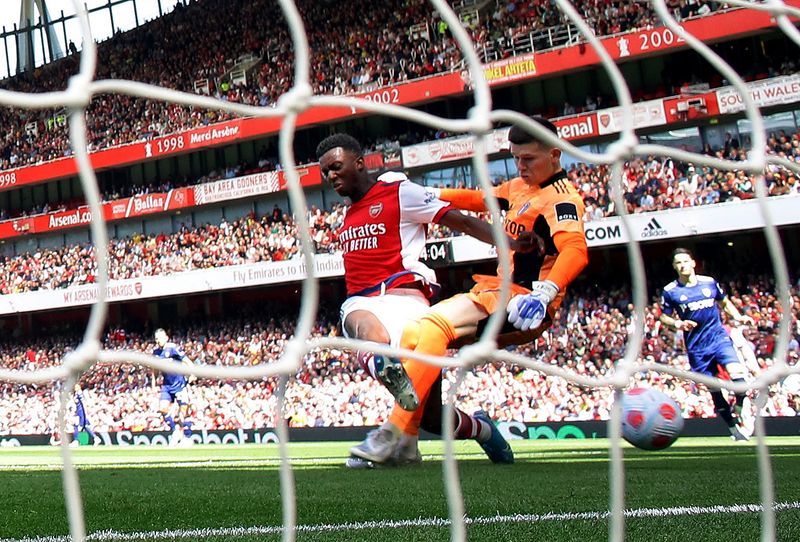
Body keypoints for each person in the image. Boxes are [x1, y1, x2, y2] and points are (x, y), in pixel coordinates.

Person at [349, 118, 589, 466]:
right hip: (496, 293)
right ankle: (411, 445)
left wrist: (546, 292)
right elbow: (478, 199)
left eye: (528, 160)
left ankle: (392, 433)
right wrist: (418, 190)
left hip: (525, 303)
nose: (520, 166)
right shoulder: (519, 189)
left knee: (433, 325)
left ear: (555, 155)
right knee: (414, 336)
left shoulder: (563, 200)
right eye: (515, 158)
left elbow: (575, 250)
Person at [315, 133, 535, 466]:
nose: (330, 176)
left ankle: (482, 430)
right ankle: (389, 386)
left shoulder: (399, 193)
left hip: (409, 303)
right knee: (361, 324)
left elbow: (459, 220)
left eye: (335, 167)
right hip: (363, 301)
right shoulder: (347, 216)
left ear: (358, 163)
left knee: (432, 417)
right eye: (325, 173)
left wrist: (511, 243)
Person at [658, 248, 755, 440]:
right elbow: (663, 317)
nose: (682, 265)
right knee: (715, 391)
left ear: (693, 263)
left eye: (685, 261)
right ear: (674, 267)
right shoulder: (671, 291)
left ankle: (740, 403)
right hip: (697, 348)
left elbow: (724, 302)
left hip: (718, 339)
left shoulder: (709, 283)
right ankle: (734, 429)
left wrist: (738, 317)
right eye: (678, 263)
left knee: (739, 378)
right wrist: (679, 323)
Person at [153, 328, 195, 446]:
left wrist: (192, 373)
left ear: (166, 337)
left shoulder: (173, 348)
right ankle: (176, 431)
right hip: (166, 385)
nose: (158, 341)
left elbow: (187, 361)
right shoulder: (156, 353)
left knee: (181, 414)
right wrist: (154, 382)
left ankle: (185, 436)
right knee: (162, 409)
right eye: (156, 338)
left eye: (160, 338)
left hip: (179, 384)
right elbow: (155, 369)